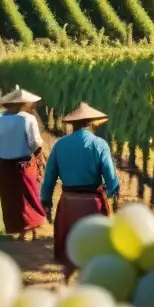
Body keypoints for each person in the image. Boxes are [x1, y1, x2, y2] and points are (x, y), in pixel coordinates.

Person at [40, 102, 120, 281]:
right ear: (92, 123)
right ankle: (94, 281)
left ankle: (67, 279)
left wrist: (46, 202)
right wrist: (109, 194)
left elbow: (49, 177)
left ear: (73, 124)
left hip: (68, 202)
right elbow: (111, 179)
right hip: (93, 203)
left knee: (69, 245)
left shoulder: (60, 145)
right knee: (96, 246)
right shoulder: (99, 144)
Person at [0, 85, 48, 241]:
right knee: (28, 197)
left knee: (12, 200)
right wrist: (41, 161)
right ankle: (30, 230)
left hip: (5, 168)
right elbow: (35, 144)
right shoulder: (28, 119)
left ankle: (20, 229)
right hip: (24, 166)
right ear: (24, 104)